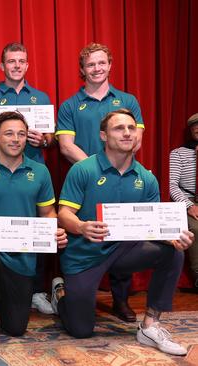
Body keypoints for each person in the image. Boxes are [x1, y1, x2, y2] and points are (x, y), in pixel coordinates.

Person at [54, 108, 193, 356]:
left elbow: (152, 223)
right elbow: (64, 214)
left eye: (131, 128)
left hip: (124, 250)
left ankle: (150, 325)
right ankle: (61, 294)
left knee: (172, 252)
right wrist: (82, 227)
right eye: (119, 128)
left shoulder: (146, 178)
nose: (127, 133)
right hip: (85, 255)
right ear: (104, 136)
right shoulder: (83, 169)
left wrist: (172, 236)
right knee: (81, 329)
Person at [0, 111, 66, 357]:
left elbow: (48, 212)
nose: (16, 139)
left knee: (16, 328)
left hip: (23, 254)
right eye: (9, 133)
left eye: (21, 134)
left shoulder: (39, 172)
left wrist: (54, 230)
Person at [56, 42, 145, 322]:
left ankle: (120, 299)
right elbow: (66, 145)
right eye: (91, 64)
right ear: (82, 69)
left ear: (110, 65)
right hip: (85, 182)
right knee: (84, 233)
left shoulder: (128, 101)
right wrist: (96, 169)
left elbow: (137, 137)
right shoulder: (70, 104)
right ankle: (78, 294)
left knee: (123, 237)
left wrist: (112, 169)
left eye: (101, 63)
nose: (97, 69)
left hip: (122, 178)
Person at [0, 42, 55, 314]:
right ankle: (0, 290)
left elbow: (51, 138)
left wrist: (42, 139)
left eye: (21, 61)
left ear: (28, 65)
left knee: (37, 231)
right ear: (2, 66)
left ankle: (38, 291)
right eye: (11, 61)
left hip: (33, 173)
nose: (17, 65)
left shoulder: (41, 97)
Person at [169, 112, 198, 288]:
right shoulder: (178, 154)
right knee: (195, 227)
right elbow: (172, 185)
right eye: (195, 127)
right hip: (189, 200)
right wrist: (189, 206)